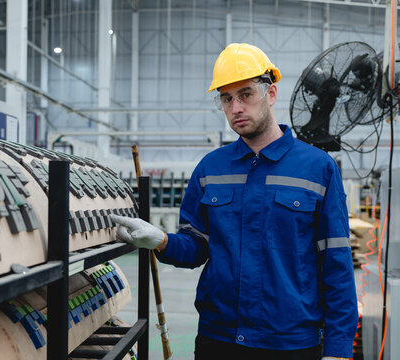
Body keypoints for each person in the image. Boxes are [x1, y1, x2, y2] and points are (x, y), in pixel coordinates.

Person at [111, 43, 358, 360]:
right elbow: (196, 246)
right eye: (226, 99)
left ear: (270, 94)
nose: (236, 107)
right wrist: (161, 240)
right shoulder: (210, 169)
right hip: (219, 339)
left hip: (291, 343)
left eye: (245, 94)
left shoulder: (318, 168)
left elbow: (336, 264)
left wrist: (338, 349)